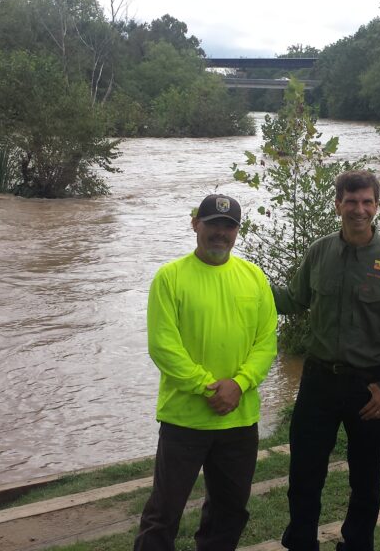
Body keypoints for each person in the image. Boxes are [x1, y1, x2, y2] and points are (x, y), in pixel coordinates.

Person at [274, 170, 380, 551]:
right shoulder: (319, 252)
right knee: (304, 472)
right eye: (351, 201)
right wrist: (243, 282)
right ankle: (301, 543)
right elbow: (294, 300)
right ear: (338, 203)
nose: (359, 209)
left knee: (366, 479)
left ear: (376, 205)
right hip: (318, 380)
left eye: (366, 202)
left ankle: (357, 545)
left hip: (369, 386)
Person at [134, 194, 278, 551]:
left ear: (237, 232)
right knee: (163, 512)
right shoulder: (170, 278)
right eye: (212, 223)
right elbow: (164, 347)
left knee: (230, 511)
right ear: (195, 223)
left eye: (228, 226)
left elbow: (266, 344)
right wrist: (208, 387)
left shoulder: (254, 277)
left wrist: (240, 384)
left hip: (239, 420)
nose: (220, 232)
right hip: (185, 420)